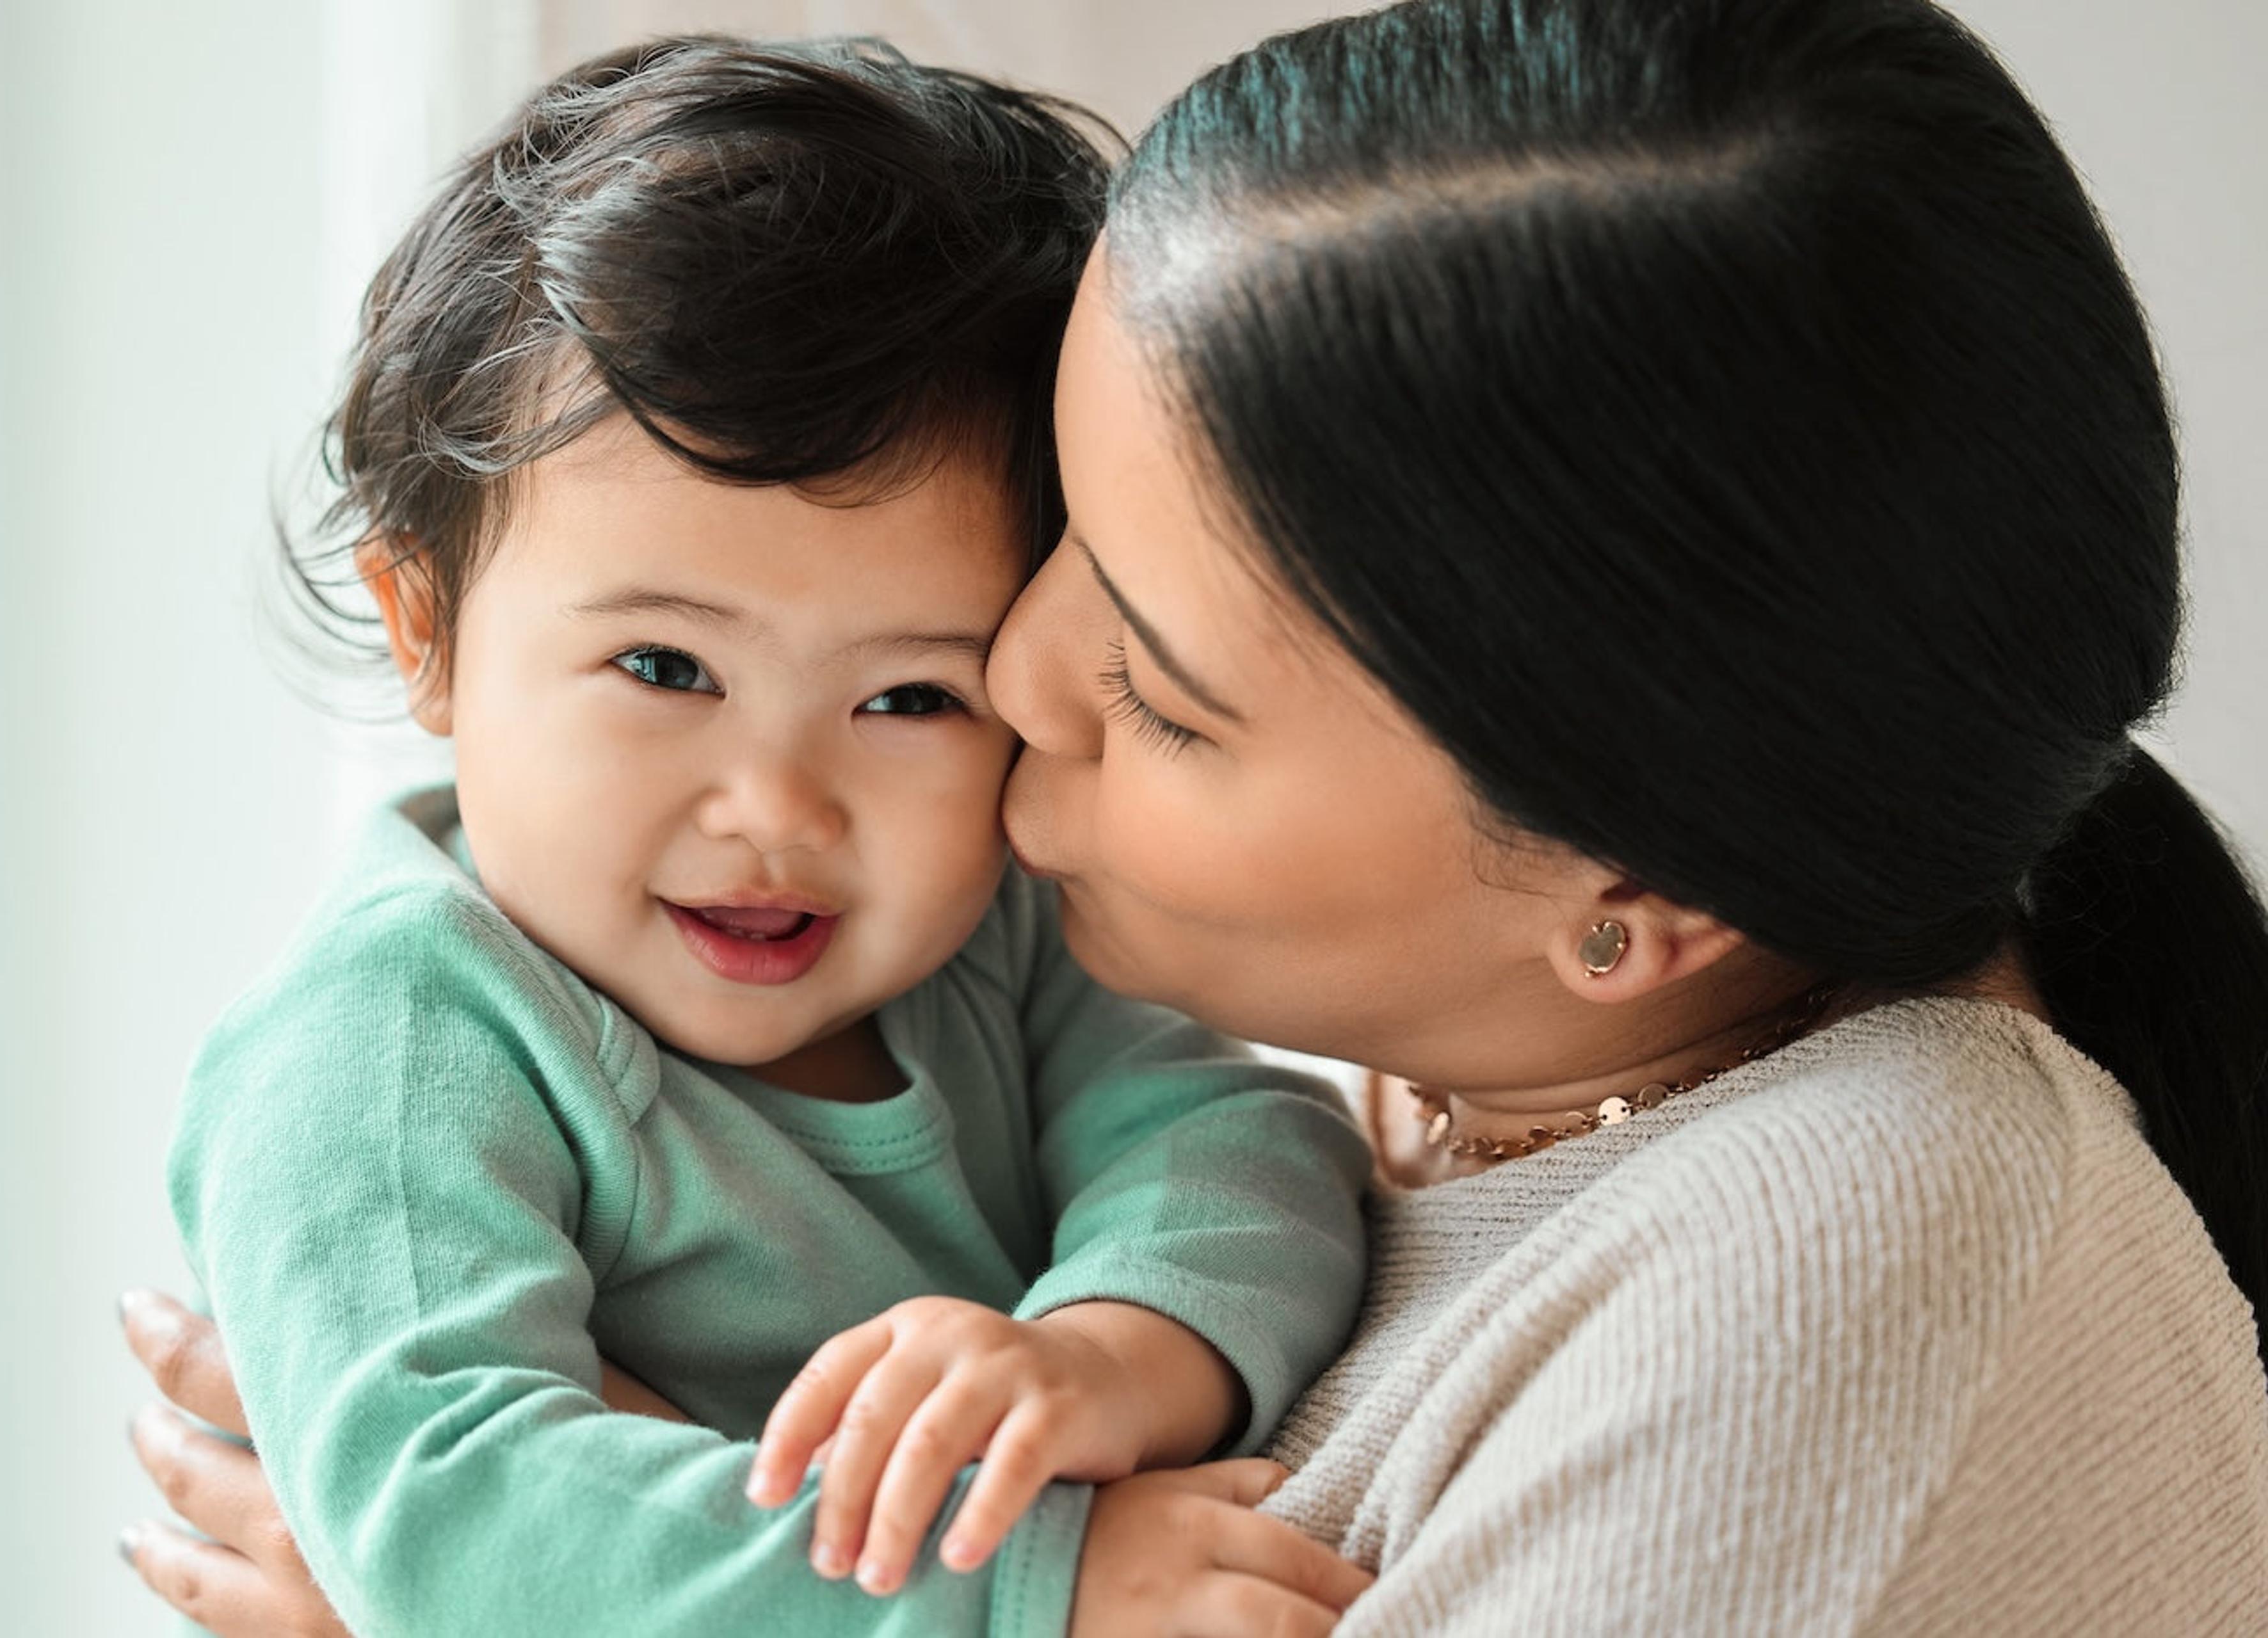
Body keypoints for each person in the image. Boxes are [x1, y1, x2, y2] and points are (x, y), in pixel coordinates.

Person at [124, 0, 2268, 1632]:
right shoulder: (1440, 1039)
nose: (1007, 694)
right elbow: (458, 1492)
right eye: (1060, 550)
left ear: (1636, 885)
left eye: (1146, 683)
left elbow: (1212, 1165)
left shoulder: (1834, 1297)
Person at [154, 34, 1375, 1638]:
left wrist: (1103, 1354)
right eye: (667, 668)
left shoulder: (991, 935)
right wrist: (1023, 1586)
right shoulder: (390, 1043)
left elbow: (1246, 1147)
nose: (779, 810)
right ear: (427, 626)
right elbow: (456, 1517)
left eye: (915, 699)